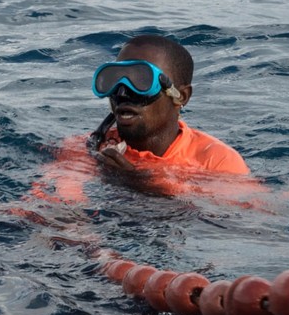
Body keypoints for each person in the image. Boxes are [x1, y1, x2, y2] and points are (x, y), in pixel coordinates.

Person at [25, 34, 250, 207]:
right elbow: (54, 207)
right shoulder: (84, 149)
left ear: (181, 96)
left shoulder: (217, 162)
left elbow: (237, 225)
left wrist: (136, 182)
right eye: (114, 79)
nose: (122, 93)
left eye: (141, 80)